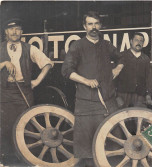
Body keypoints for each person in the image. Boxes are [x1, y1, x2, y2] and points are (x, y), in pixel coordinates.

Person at [61, 11, 123, 166]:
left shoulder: (106, 45)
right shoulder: (77, 46)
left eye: (96, 23)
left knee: (113, 144)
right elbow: (66, 71)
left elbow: (121, 57)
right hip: (86, 101)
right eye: (90, 24)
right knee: (88, 149)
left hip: (108, 100)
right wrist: (85, 81)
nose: (93, 27)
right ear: (84, 26)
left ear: (100, 25)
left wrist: (117, 69)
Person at [0, 18, 53, 165]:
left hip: (24, 91)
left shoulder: (30, 48)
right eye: (11, 29)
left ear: (21, 32)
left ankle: (27, 159)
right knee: (5, 127)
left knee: (27, 126)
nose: (14, 32)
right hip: (4, 92)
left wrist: (37, 81)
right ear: (6, 32)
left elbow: (47, 63)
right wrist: (4, 63)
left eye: (17, 29)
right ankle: (6, 159)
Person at [116, 32, 152, 108]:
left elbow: (148, 79)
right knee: (123, 118)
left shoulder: (146, 59)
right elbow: (113, 78)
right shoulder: (121, 56)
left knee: (139, 118)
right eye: (136, 40)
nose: (138, 43)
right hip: (123, 96)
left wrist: (148, 95)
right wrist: (116, 97)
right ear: (131, 41)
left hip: (139, 97)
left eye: (141, 41)